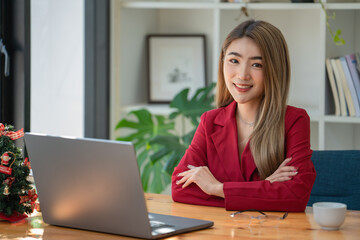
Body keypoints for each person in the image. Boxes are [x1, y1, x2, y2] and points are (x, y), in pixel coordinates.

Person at [171, 20, 316, 212]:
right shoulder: (210, 121)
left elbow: (296, 196)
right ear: (223, 62)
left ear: (275, 70)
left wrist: (217, 188)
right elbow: (180, 189)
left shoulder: (293, 121)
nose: (242, 75)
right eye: (234, 61)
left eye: (257, 64)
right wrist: (264, 188)